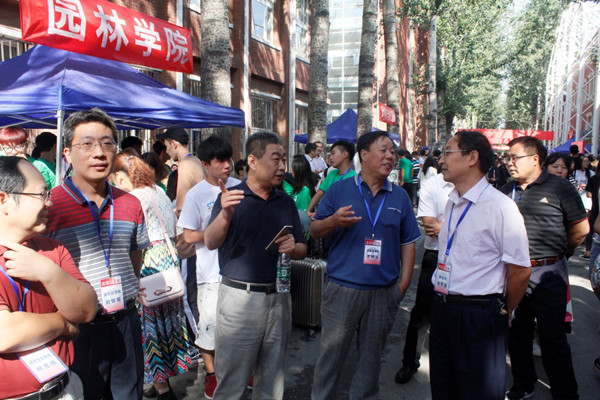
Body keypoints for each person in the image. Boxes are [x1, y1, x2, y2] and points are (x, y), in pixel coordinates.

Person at [44, 108, 150, 400]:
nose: (99, 153)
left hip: (126, 320)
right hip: (78, 329)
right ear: (67, 153)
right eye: (87, 144)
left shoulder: (130, 203)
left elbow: (135, 257)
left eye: (107, 143)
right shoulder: (50, 207)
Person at [310, 130, 421, 399]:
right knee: (330, 360)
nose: (390, 156)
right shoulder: (339, 189)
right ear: (364, 155)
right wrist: (333, 222)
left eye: (392, 152)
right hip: (342, 290)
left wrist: (402, 286)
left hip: (383, 292)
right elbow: (314, 230)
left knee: (370, 364)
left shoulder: (399, 196)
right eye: (383, 150)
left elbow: (408, 242)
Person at [204, 132, 307, 399]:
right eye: (276, 159)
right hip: (239, 300)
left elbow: (301, 248)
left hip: (279, 297)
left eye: (284, 159)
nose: (282, 166)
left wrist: (293, 247)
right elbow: (210, 241)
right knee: (232, 384)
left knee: (272, 381)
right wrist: (225, 214)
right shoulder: (231, 197)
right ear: (252, 161)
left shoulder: (285, 201)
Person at [429, 131, 531, 400]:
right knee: (443, 389)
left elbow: (521, 270)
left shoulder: (501, 207)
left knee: (478, 392)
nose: (441, 159)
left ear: (472, 157)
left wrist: (503, 309)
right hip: (443, 308)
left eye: (448, 152)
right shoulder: (452, 202)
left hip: (479, 315)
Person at [0, 157, 97, 400]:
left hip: (63, 389)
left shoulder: (52, 250)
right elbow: (5, 333)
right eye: (41, 195)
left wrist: (48, 272)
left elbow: (86, 310)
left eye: (48, 194)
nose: (49, 203)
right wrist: (62, 323)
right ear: (4, 199)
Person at [501, 136, 588, 400]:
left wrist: (560, 253)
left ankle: (565, 393)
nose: (509, 163)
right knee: (517, 333)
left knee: (553, 339)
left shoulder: (559, 187)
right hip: (514, 273)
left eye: (515, 157)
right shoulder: (506, 190)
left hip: (548, 273)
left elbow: (581, 229)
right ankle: (523, 384)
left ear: (535, 159)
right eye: (508, 158)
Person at [112, 151, 192, 400]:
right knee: (168, 324)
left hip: (147, 262)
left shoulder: (133, 198)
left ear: (121, 177)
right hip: (168, 260)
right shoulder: (158, 191)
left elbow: (130, 239)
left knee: (150, 328)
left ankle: (161, 387)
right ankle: (161, 380)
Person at [177, 135, 241, 398]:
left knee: (239, 328)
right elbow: (188, 235)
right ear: (205, 164)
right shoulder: (196, 194)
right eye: (220, 161)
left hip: (239, 271)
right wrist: (217, 232)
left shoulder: (240, 187)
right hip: (210, 274)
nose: (227, 165)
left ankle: (239, 371)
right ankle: (212, 375)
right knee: (209, 329)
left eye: (229, 159)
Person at [395, 171, 453, 384]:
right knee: (421, 314)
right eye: (444, 155)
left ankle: (450, 366)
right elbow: (430, 226)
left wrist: (444, 228)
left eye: (449, 155)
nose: (444, 160)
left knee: (456, 315)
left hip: (466, 259)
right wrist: (462, 230)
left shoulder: (479, 188)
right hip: (435, 256)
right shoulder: (433, 184)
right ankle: (410, 362)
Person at [155, 127, 204, 344]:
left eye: (166, 145)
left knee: (186, 297)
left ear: (173, 143)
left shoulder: (185, 165)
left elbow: (181, 208)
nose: (166, 151)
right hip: (200, 239)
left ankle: (200, 343)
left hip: (189, 241)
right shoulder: (197, 162)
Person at [307, 140, 356, 217]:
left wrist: (319, 214)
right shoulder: (331, 174)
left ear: (344, 154)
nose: (330, 158)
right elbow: (318, 194)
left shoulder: (353, 178)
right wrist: (308, 211)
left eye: (333, 153)